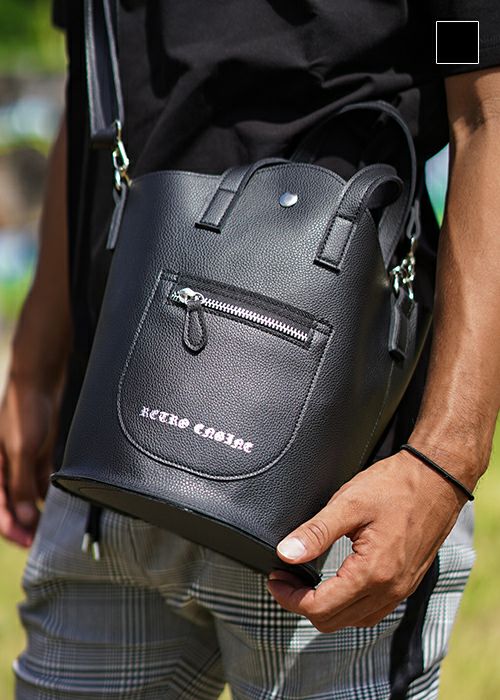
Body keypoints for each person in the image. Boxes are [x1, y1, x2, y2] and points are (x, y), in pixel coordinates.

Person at [1, 1, 499, 697]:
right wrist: (34, 365)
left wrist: (442, 462)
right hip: (108, 454)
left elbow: (489, 115)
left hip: (336, 494)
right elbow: (96, 77)